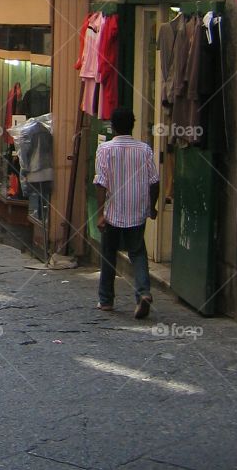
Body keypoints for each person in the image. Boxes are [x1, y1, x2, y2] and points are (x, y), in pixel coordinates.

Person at [94, 106, 160, 319]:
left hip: (114, 210)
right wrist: (152, 206)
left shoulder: (105, 149)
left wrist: (100, 213)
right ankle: (143, 292)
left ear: (112, 126)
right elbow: (154, 182)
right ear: (132, 125)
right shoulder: (145, 149)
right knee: (138, 253)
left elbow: (101, 183)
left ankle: (106, 301)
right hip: (137, 209)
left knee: (109, 254)